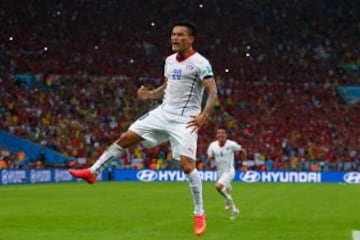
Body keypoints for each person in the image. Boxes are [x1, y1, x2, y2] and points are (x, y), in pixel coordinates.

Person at [68, 21, 218, 237]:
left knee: (187, 166)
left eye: (181, 35)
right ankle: (93, 172)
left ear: (191, 39)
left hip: (186, 119)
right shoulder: (169, 61)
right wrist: (150, 95)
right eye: (173, 34)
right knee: (126, 137)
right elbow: (168, 87)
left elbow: (213, 92)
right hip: (163, 112)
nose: (175, 38)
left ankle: (199, 213)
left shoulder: (200, 63)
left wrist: (204, 115)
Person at [207, 127, 245, 220]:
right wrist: (209, 159)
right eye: (219, 133)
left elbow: (243, 150)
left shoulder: (231, 144)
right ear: (216, 135)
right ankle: (234, 210)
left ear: (226, 135)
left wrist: (244, 164)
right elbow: (209, 156)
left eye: (223, 133)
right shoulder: (212, 145)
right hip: (219, 172)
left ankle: (229, 202)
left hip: (229, 171)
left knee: (218, 187)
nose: (221, 134)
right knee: (225, 191)